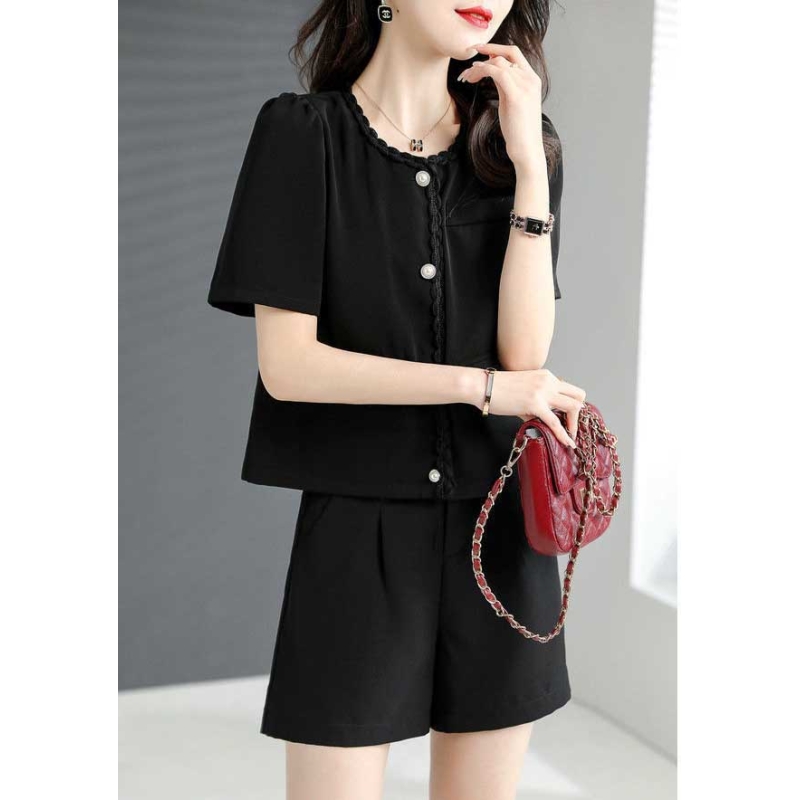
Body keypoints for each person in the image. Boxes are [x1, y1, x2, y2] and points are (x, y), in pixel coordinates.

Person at [207, 1, 587, 798]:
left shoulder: (521, 145)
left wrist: (529, 168)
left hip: (499, 534)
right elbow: (290, 367)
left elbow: (525, 355)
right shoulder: (303, 136)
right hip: (359, 535)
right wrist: (479, 388)